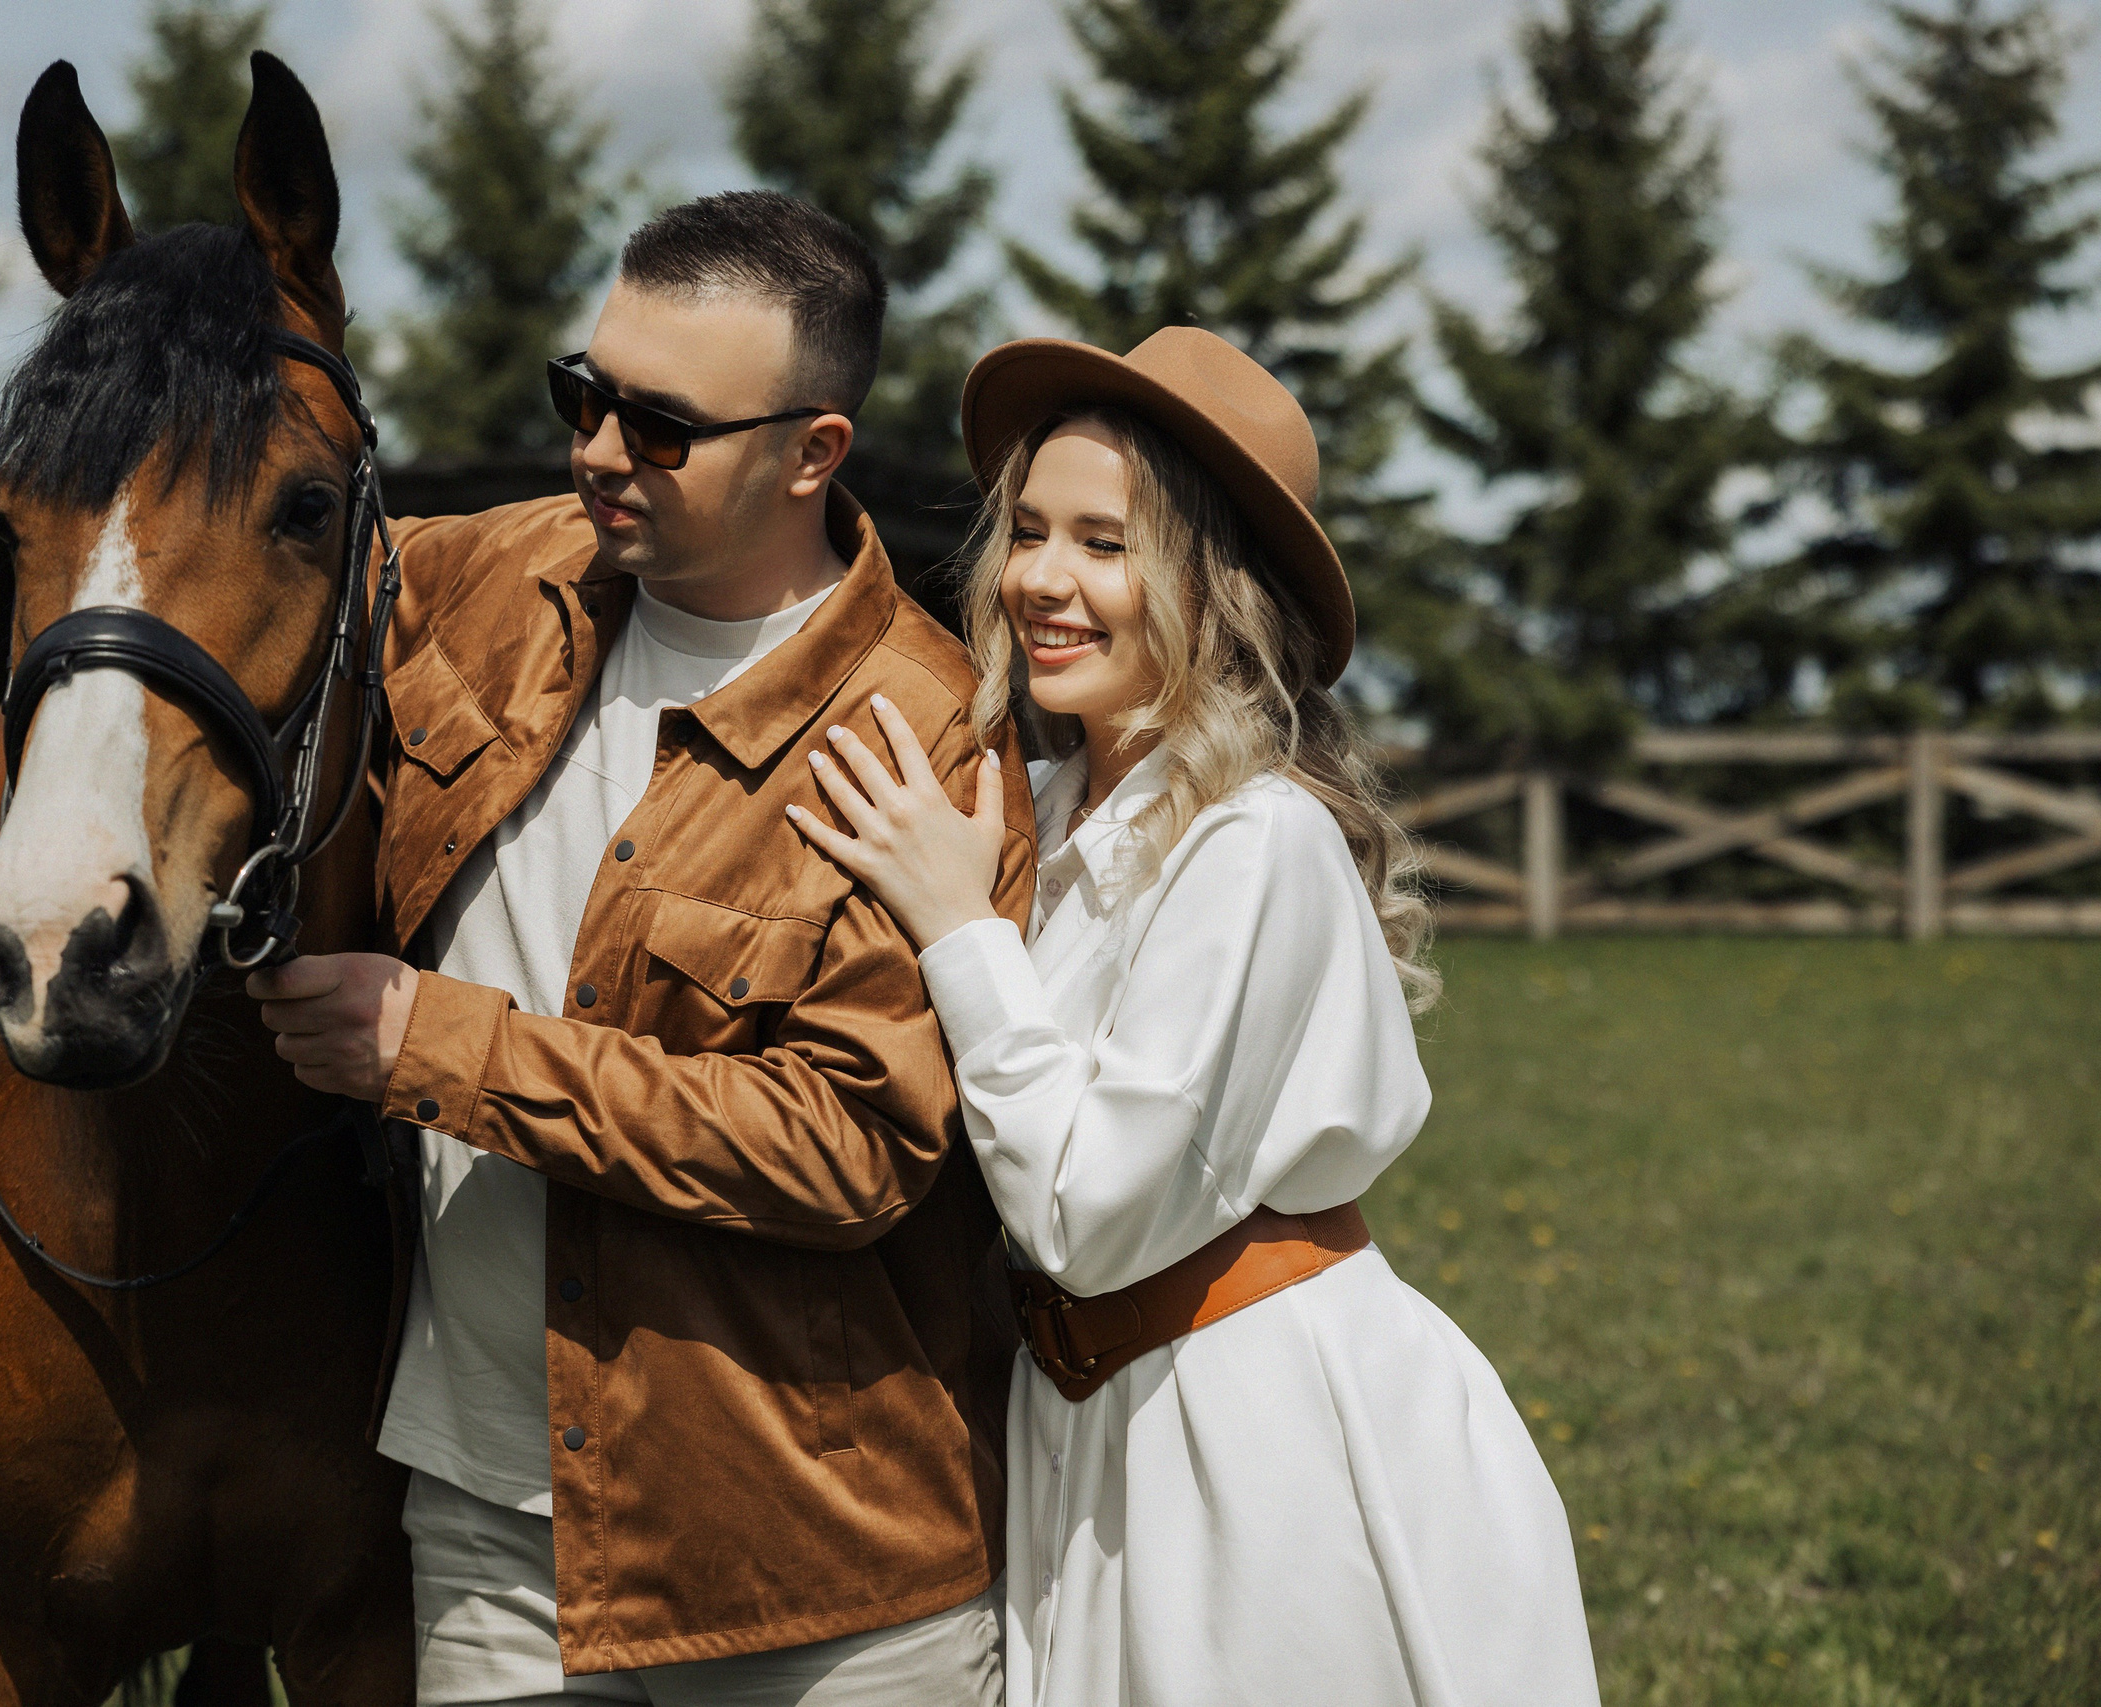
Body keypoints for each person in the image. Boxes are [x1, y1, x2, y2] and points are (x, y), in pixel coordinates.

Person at [246, 191, 1035, 1705]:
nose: (600, 450)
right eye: (586, 394)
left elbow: (849, 1146)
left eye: (660, 425)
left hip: (815, 1580)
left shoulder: (922, 733)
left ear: (815, 452)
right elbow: (241, 583)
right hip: (484, 1523)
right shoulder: (481, 587)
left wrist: (439, 1048)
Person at [786, 327, 1601, 1706]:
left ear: (1213, 588)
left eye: (1108, 545)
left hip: (1252, 1434)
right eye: (1030, 531)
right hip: (1078, 1425)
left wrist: (961, 932)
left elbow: (1089, 1216)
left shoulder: (1257, 840)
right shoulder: (1024, 815)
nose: (1043, 579)